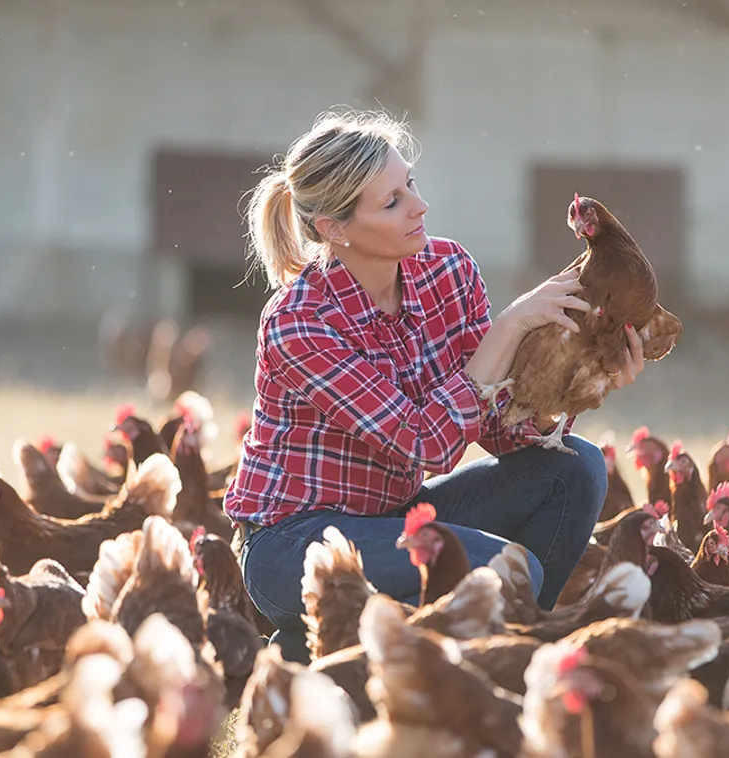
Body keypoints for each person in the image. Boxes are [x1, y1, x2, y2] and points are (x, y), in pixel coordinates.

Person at [224, 108, 646, 664]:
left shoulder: (448, 270)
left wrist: (576, 382)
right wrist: (508, 329)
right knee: (506, 571)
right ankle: (353, 645)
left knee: (576, 467)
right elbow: (424, 444)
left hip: (396, 516)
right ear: (335, 228)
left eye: (410, 184)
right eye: (392, 201)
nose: (419, 206)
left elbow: (500, 431)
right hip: (294, 543)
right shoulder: (301, 320)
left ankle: (491, 659)